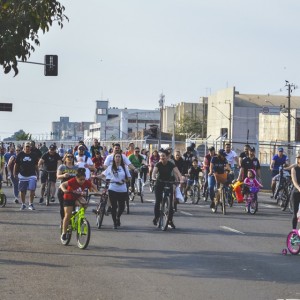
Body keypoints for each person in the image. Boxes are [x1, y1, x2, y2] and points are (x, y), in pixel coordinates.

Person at [59, 168, 98, 241]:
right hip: (69, 198)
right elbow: (62, 184)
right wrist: (64, 190)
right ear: (76, 178)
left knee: (85, 203)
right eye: (80, 179)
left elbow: (93, 186)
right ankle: (64, 233)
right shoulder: (72, 181)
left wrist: (96, 192)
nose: (82, 181)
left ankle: (80, 216)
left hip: (77, 197)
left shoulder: (86, 182)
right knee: (67, 215)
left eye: (83, 179)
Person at [152, 149, 182, 229]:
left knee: (171, 204)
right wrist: (153, 178)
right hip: (159, 182)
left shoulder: (171, 164)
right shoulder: (158, 164)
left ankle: (169, 220)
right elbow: (154, 172)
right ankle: (156, 217)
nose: (162, 157)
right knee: (158, 201)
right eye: (161, 156)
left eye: (163, 156)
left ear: (167, 157)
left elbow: (177, 172)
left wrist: (181, 179)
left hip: (169, 182)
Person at [101, 153, 131, 229]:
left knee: (122, 207)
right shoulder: (110, 167)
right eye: (116, 157)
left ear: (121, 159)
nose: (117, 158)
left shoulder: (124, 167)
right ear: (114, 158)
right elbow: (103, 175)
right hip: (112, 189)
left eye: (119, 157)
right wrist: (94, 176)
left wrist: (123, 180)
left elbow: (129, 178)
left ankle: (118, 217)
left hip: (122, 190)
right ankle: (114, 223)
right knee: (114, 206)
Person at [13, 141, 39, 210]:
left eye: (28, 146)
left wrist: (38, 173)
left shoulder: (34, 155)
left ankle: (31, 204)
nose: (27, 148)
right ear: (24, 147)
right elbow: (16, 164)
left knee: (32, 189)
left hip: (32, 175)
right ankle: (23, 204)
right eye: (26, 146)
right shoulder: (20, 154)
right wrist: (14, 173)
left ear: (30, 147)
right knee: (22, 190)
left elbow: (36, 165)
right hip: (22, 175)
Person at [56, 153, 78, 224]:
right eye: (68, 157)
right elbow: (58, 176)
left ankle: (71, 222)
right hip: (63, 189)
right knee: (63, 206)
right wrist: (63, 175)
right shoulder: (62, 167)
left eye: (72, 157)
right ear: (65, 158)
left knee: (73, 207)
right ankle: (63, 221)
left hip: (73, 190)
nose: (70, 158)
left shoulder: (76, 167)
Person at [290, 155, 300, 233]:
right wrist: (299, 188)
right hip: (296, 193)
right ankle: (294, 232)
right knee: (295, 213)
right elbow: (294, 181)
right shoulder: (294, 169)